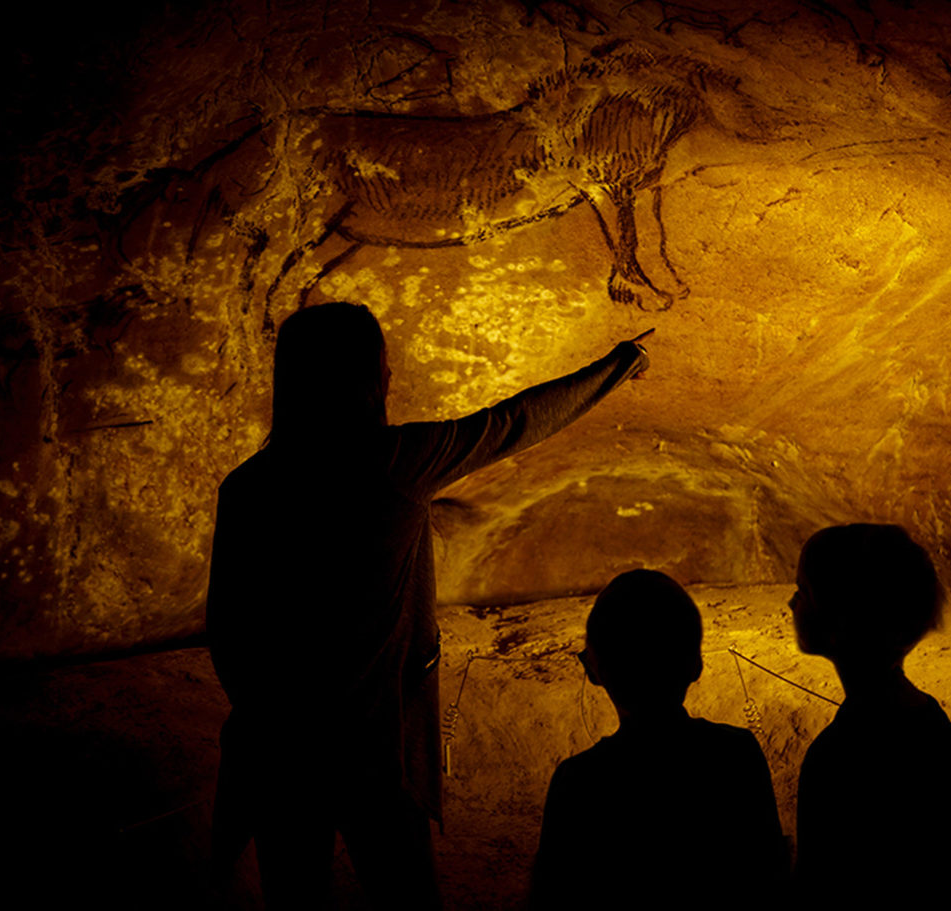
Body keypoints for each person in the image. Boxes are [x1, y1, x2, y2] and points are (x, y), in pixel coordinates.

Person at [206, 301, 651, 908]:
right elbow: (514, 423)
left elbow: (227, 635)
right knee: (407, 902)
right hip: (377, 751)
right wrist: (617, 366)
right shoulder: (394, 464)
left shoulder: (248, 489)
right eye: (382, 365)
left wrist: (278, 718)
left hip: (280, 759)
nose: (390, 378)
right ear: (370, 379)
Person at [531, 569, 789, 910]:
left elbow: (552, 896)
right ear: (696, 665)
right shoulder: (736, 754)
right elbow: (768, 879)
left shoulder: (578, 781)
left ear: (593, 669)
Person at [790, 524, 951, 910]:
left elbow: (821, 888)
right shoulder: (937, 731)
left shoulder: (840, 754)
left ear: (840, 617)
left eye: (803, 591)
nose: (791, 604)